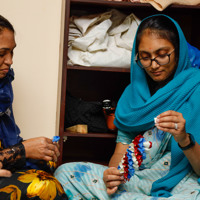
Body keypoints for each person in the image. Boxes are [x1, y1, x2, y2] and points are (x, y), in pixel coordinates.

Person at [54, 14, 200, 199]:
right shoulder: (133, 95)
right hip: (136, 181)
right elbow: (120, 154)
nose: (153, 65)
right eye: (145, 57)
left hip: (182, 183)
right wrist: (111, 175)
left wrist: (185, 139)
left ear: (178, 52)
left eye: (162, 55)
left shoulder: (196, 88)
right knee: (65, 173)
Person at [0, 15, 68, 199]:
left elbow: (7, 139)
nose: (10, 61)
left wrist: (33, 149)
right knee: (45, 186)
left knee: (49, 163)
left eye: (12, 52)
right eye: (1, 54)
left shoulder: (3, 84)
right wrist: (22, 150)